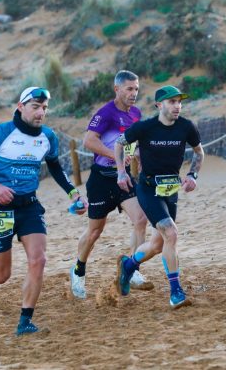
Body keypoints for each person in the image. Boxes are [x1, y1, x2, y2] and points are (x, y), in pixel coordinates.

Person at [0, 87, 88, 336]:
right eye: (36, 106)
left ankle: (25, 321)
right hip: (0, 209)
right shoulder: (2, 133)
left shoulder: (48, 137)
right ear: (21, 106)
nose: (41, 112)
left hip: (29, 207)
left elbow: (56, 169)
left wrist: (74, 194)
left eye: (45, 108)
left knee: (39, 260)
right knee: (0, 275)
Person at [114, 85, 204, 309]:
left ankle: (129, 264)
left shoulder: (186, 127)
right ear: (159, 105)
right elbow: (119, 143)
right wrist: (121, 172)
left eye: (179, 102)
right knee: (171, 234)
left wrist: (193, 175)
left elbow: (199, 151)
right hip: (148, 188)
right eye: (172, 102)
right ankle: (176, 292)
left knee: (156, 244)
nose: (177, 106)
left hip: (170, 190)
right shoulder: (145, 128)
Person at [69, 70, 153, 300]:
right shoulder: (106, 113)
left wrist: (137, 158)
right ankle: (78, 270)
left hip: (124, 178)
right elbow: (88, 141)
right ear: (117, 89)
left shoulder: (136, 114)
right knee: (95, 231)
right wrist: (116, 158)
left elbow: (133, 143)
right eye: (129, 89)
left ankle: (132, 269)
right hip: (101, 179)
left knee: (141, 219)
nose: (134, 93)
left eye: (136, 89)